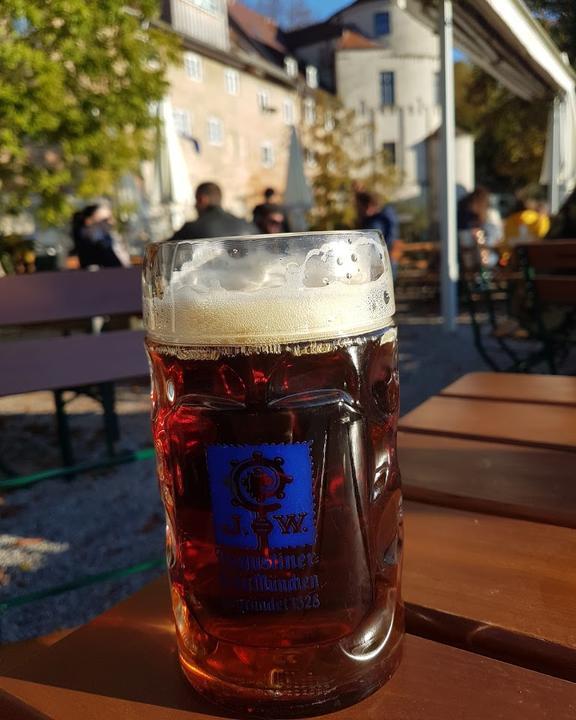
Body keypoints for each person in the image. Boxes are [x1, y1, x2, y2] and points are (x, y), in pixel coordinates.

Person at [171, 182, 256, 240]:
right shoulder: (247, 226)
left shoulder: (191, 229)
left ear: (202, 200)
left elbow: (164, 250)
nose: (195, 206)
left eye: (196, 201)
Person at [72, 204, 129, 269]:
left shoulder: (112, 240)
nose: (112, 223)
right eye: (105, 220)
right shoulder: (87, 245)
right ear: (89, 222)